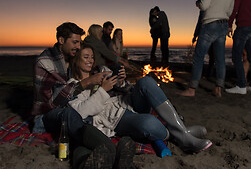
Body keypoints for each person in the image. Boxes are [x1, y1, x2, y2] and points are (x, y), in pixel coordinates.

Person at [68, 44, 213, 154]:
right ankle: (183, 133)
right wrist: (103, 90)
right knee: (150, 123)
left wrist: (121, 82)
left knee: (146, 81)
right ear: (76, 60)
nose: (90, 60)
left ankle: (183, 136)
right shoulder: (72, 86)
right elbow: (81, 112)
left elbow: (125, 89)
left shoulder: (101, 71)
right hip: (114, 119)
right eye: (86, 57)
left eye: (92, 57)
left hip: (128, 103)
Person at [30, 22, 134, 168]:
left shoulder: (71, 58)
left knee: (85, 119)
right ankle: (113, 151)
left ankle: (85, 160)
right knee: (71, 114)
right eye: (75, 42)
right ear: (61, 40)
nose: (78, 46)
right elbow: (53, 102)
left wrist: (117, 80)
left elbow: (86, 71)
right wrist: (87, 82)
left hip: (74, 110)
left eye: (79, 42)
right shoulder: (45, 62)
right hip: (49, 113)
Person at [179, 0, 235, 97]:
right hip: (223, 25)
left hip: (211, 24)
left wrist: (198, 3)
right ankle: (218, 88)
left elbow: (204, 6)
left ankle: (192, 89)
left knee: (198, 57)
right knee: (220, 59)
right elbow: (230, 12)